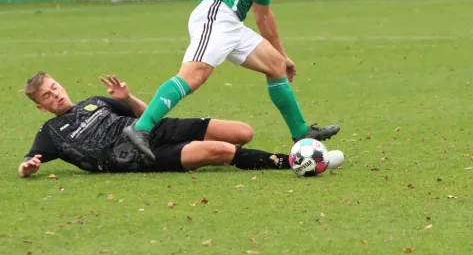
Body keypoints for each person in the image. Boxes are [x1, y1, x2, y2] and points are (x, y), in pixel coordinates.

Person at [123, 0, 340, 161]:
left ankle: (302, 134)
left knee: (274, 66)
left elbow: (264, 18)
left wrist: (283, 56)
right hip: (216, 15)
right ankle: (141, 128)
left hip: (232, 25)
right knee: (194, 76)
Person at [18, 72, 298, 178]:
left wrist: (127, 98)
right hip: (139, 156)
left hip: (155, 129)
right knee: (221, 151)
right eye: (47, 95)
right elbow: (28, 163)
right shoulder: (51, 133)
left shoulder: (95, 101)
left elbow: (145, 113)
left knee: (243, 132)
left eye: (55, 87)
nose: (55, 94)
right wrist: (28, 168)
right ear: (42, 106)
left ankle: (198, 151)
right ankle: (294, 162)